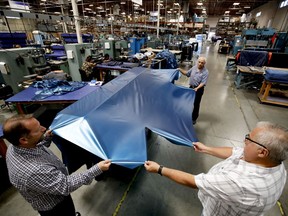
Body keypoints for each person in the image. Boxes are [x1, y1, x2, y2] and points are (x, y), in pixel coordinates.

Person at [145, 121, 288, 216]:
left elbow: (193, 181)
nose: (244, 141)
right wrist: (206, 149)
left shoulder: (243, 184)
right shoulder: (275, 163)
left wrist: (159, 169)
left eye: (248, 139)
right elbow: (235, 151)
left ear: (262, 152)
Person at [4, 114, 111, 216]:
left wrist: (46, 138)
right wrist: (97, 168)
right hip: (54, 206)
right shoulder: (34, 171)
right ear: (23, 140)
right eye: (38, 130)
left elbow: (36, 148)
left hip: (52, 191)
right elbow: (66, 185)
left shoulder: (14, 147)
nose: (44, 128)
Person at [177, 57, 209, 125]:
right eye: (199, 62)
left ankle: (194, 118)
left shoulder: (205, 72)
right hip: (191, 88)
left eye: (202, 63)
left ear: (204, 64)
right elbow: (187, 74)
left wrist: (197, 88)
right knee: (188, 101)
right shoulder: (194, 67)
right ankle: (187, 115)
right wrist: (180, 69)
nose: (200, 64)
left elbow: (203, 82)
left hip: (199, 90)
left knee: (196, 104)